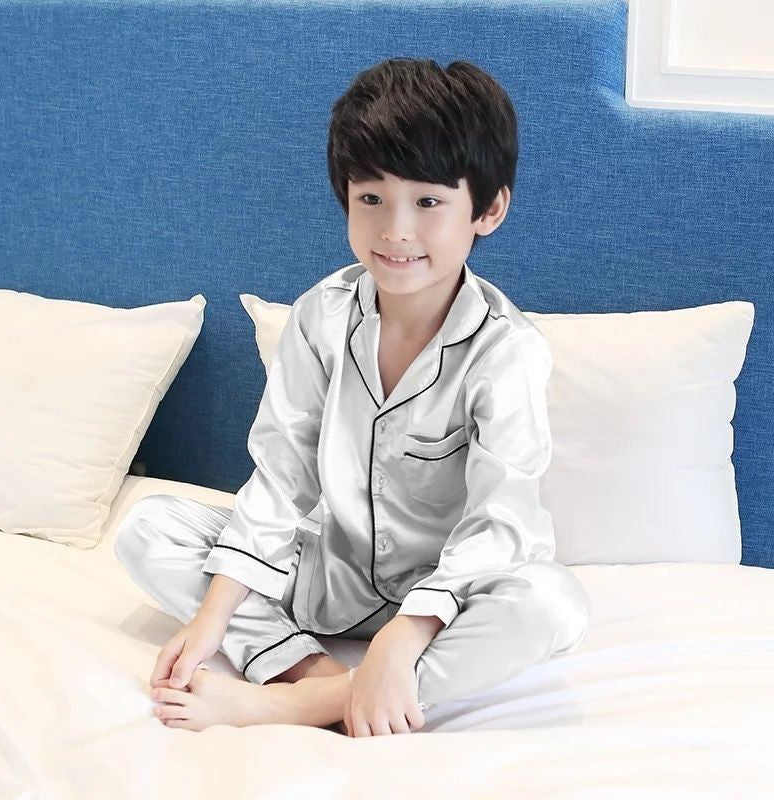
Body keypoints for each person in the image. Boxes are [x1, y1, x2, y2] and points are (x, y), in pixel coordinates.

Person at [113, 57, 591, 736]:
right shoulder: (321, 314)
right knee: (147, 528)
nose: (395, 230)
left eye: (428, 202)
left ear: (488, 210)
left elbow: (500, 520)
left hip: (448, 596)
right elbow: (281, 478)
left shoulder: (506, 350)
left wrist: (406, 632)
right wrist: (212, 619)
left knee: (552, 602)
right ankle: (321, 678)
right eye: (371, 199)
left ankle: (297, 705)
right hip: (329, 572)